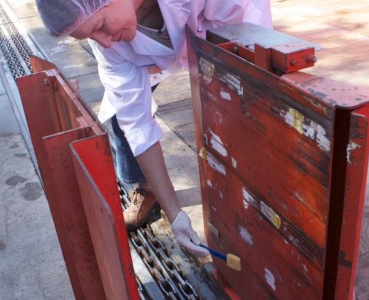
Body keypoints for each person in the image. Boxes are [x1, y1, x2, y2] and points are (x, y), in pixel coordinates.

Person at [35, 0, 272, 257]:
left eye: (100, 26)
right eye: (90, 36)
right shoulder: (109, 46)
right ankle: (147, 190)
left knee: (240, 114)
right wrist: (175, 215)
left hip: (238, 25)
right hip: (163, 52)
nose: (102, 42)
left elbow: (227, 43)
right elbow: (137, 124)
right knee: (121, 116)